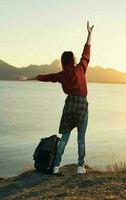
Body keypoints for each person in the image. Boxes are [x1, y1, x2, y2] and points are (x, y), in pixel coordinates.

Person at [18, 21, 94, 174]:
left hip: (69, 106)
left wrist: (28, 79)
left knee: (64, 138)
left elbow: (46, 77)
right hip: (82, 106)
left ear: (62, 62)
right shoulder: (80, 68)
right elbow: (86, 53)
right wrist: (89, 34)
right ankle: (80, 167)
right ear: (73, 60)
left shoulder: (60, 75)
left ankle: (55, 167)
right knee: (81, 139)